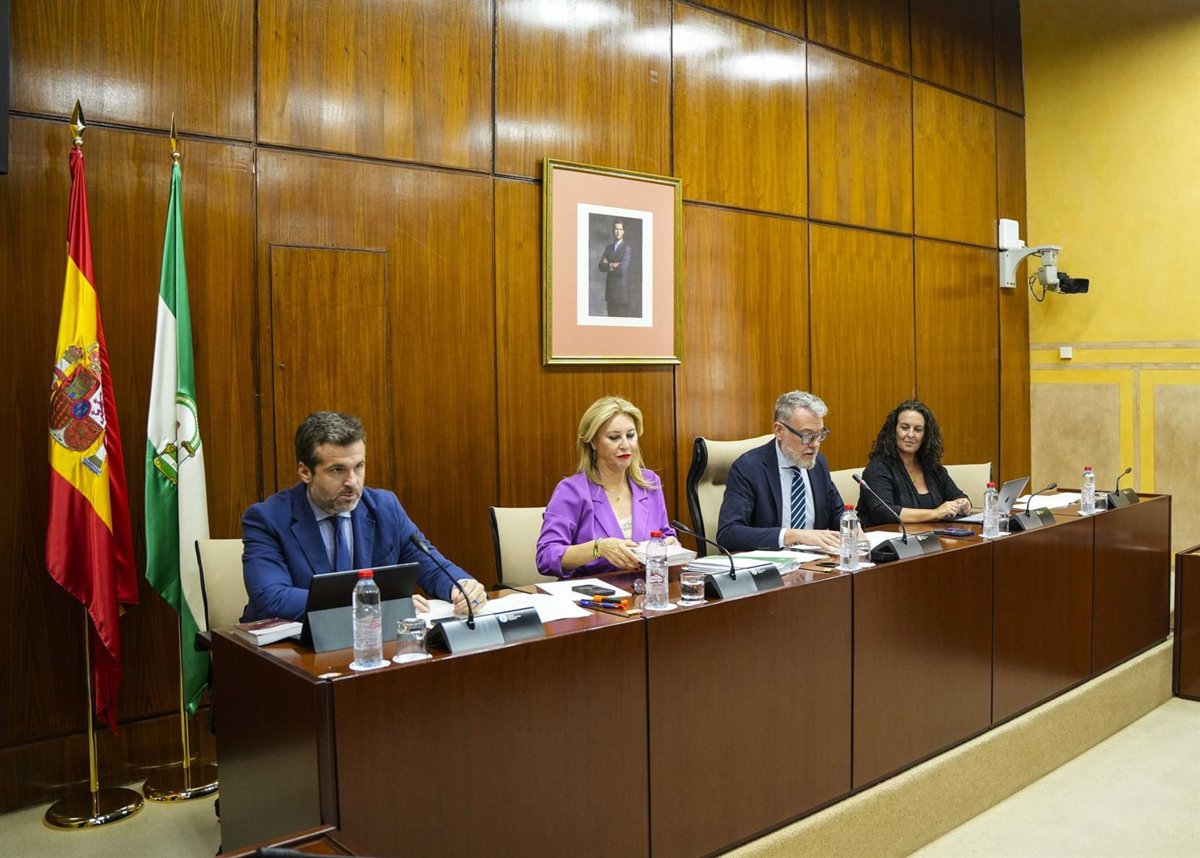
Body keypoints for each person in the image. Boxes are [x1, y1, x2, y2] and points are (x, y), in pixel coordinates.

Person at [241, 411, 487, 622]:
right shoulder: (267, 519)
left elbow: (432, 568)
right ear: (305, 472)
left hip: (369, 644)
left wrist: (461, 586)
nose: (352, 481)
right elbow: (272, 597)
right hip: (287, 649)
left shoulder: (384, 508)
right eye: (337, 470)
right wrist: (371, 604)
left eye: (358, 466)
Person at [536, 396, 677, 578]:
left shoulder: (649, 483)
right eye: (614, 437)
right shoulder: (572, 491)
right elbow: (546, 556)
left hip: (646, 588)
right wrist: (598, 548)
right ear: (593, 442)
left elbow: (664, 534)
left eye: (631, 435)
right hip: (594, 591)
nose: (625, 445)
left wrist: (671, 545)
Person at [716, 391, 846, 552]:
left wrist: (853, 529)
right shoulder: (748, 468)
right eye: (807, 436)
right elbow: (728, 534)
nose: (815, 444)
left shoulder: (818, 463)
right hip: (772, 563)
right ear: (779, 430)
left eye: (819, 435)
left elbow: (837, 514)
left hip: (816, 562)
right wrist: (791, 535)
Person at [856, 400, 971, 527]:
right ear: (893, 431)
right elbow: (883, 512)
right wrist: (935, 513)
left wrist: (963, 503)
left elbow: (957, 495)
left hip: (930, 536)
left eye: (918, 429)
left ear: (925, 436)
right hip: (888, 537)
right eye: (904, 428)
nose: (911, 434)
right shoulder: (878, 468)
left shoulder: (932, 467)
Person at [598, 219, 634, 317]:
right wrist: (611, 265)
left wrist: (607, 265)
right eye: (616, 229)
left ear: (623, 231)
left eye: (620, 229)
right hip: (610, 294)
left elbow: (622, 270)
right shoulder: (608, 248)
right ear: (613, 230)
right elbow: (600, 266)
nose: (618, 232)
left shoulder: (626, 249)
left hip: (621, 295)